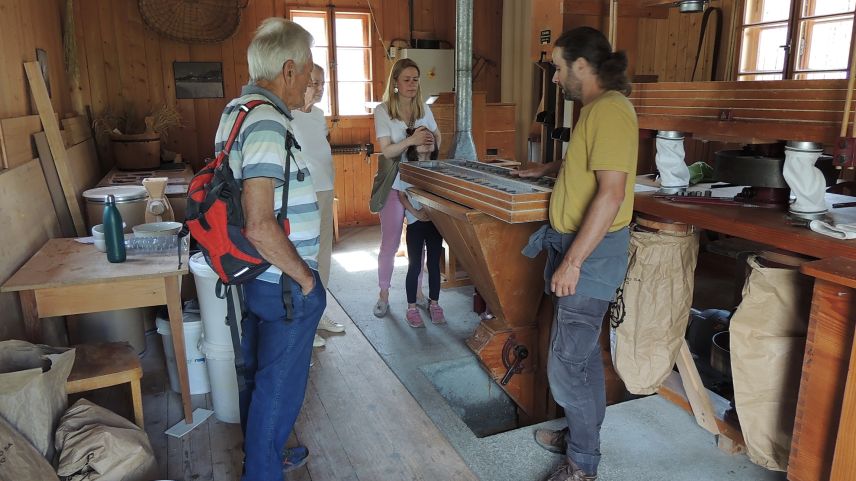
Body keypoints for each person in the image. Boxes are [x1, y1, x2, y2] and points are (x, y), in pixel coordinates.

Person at [517, 27, 638, 481]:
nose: (554, 77)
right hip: (576, 247)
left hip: (590, 255)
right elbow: (589, 166)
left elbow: (611, 194)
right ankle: (580, 436)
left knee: (568, 365)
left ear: (581, 66)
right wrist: (548, 168)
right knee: (580, 357)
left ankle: (582, 466)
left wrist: (572, 262)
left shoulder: (611, 110)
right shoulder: (596, 109)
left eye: (557, 67)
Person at [215, 18, 324, 480]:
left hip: (256, 275)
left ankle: (265, 456)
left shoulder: (237, 110)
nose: (310, 79)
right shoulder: (264, 121)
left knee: (260, 374)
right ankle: (261, 472)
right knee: (280, 385)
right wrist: (305, 279)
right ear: (288, 69)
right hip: (282, 281)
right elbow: (259, 224)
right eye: (308, 69)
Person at [372, 58, 441, 318]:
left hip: (418, 183)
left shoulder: (424, 109)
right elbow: (387, 150)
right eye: (406, 80)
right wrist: (412, 140)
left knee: (418, 241)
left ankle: (419, 293)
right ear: (395, 82)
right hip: (394, 183)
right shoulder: (383, 110)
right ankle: (383, 295)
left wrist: (431, 145)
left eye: (415, 80)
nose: (412, 84)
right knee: (389, 243)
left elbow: (436, 136)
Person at [292, 63, 346, 348]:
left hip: (325, 189)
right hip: (302, 195)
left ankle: (318, 314)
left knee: (324, 256)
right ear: (301, 82)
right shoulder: (287, 115)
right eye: (314, 82)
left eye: (323, 83)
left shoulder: (318, 115)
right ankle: (303, 324)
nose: (319, 88)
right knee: (304, 257)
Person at [392, 131, 445, 327]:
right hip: (415, 222)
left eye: (430, 138)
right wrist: (415, 212)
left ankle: (435, 304)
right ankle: (411, 308)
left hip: (435, 222)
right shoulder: (406, 168)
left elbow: (441, 195)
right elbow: (401, 195)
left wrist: (431, 212)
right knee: (414, 265)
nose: (427, 141)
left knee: (434, 264)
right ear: (414, 145)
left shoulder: (439, 168)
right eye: (422, 139)